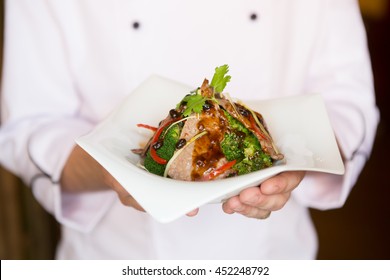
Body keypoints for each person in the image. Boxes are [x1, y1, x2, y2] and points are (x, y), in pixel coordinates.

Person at [0, 0, 379, 259]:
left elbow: (347, 100)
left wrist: (303, 156)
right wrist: (107, 164)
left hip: (272, 255)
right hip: (115, 257)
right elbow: (32, 125)